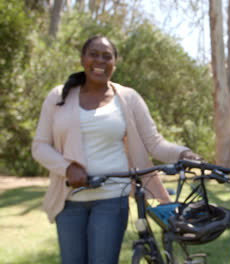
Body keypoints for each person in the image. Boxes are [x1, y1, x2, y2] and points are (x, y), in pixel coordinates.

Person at [31, 35, 201, 264]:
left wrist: (184, 153)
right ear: (83, 59)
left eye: (106, 56)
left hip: (111, 199)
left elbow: (154, 142)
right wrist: (67, 168)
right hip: (68, 201)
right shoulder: (58, 96)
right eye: (93, 54)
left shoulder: (128, 98)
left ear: (114, 64)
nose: (99, 60)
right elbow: (40, 145)